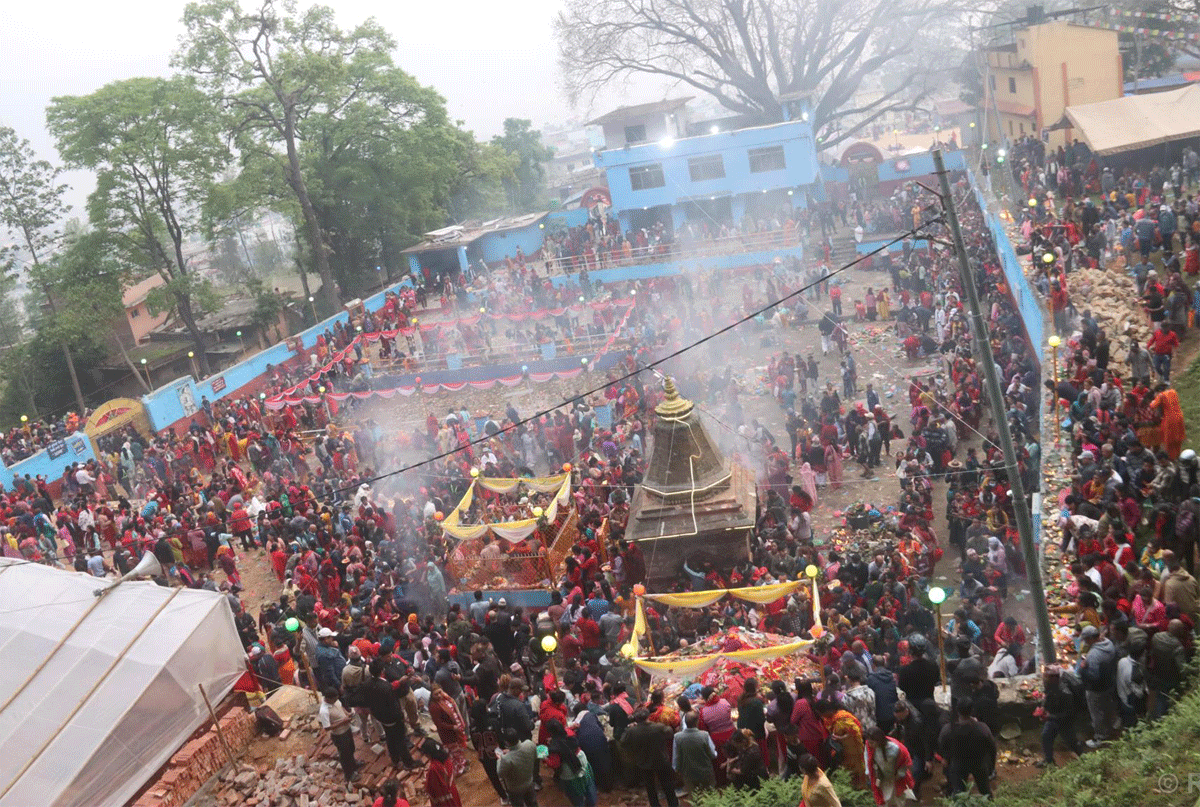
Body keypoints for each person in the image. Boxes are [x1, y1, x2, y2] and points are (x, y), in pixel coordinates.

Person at [361, 659, 417, 770]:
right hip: (392, 717)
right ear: (382, 671)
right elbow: (393, 704)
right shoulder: (386, 687)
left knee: (390, 738)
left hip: (380, 717)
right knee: (400, 739)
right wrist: (401, 716)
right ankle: (408, 762)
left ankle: (395, 760)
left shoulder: (366, 684)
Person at [619, 708, 677, 807]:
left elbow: (623, 742)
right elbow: (670, 733)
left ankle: (655, 805)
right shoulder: (658, 727)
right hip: (661, 760)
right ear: (648, 716)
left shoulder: (632, 731)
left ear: (636, 719)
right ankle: (673, 804)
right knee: (668, 786)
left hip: (644, 762)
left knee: (650, 788)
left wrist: (628, 729)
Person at [939, 697, 995, 798]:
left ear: (957, 710)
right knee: (985, 790)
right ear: (972, 710)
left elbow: (941, 744)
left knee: (959, 792)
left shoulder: (948, 729)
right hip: (979, 763)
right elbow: (992, 748)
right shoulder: (982, 728)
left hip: (958, 763)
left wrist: (946, 757)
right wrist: (991, 767)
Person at [1038, 666, 1083, 767]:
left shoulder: (1065, 693)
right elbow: (1046, 696)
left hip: (1064, 721)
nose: (1045, 679)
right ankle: (1048, 761)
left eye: (1048, 677)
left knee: (1072, 742)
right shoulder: (1049, 685)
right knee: (1046, 736)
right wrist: (1043, 708)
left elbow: (1069, 713)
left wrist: (1050, 716)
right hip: (1053, 716)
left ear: (1055, 678)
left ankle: (1086, 760)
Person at [864, 727, 914, 807]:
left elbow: (905, 762)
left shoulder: (895, 748)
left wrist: (899, 775)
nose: (870, 745)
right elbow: (867, 755)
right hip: (881, 778)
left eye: (872, 743)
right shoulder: (869, 745)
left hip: (896, 779)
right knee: (883, 801)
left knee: (897, 801)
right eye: (869, 742)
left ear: (879, 741)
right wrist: (868, 771)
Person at [319, 688, 359, 783]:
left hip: (347, 729)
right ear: (328, 699)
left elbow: (341, 707)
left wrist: (347, 713)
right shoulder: (324, 711)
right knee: (345, 755)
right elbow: (327, 727)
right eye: (334, 699)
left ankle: (354, 764)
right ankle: (349, 775)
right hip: (339, 734)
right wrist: (343, 722)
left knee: (351, 748)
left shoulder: (335, 701)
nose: (336, 700)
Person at [673, 710, 717, 795]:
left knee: (694, 797)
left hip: (688, 773)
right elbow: (713, 754)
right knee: (710, 795)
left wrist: (677, 770)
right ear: (697, 722)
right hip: (705, 772)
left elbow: (676, 757)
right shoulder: (704, 735)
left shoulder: (677, 737)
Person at [415, 737, 462, 807]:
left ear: (428, 754)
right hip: (453, 792)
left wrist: (426, 783)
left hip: (444, 800)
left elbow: (432, 788)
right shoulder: (446, 759)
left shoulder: (433, 768)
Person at [497, 729, 539, 807]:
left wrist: (500, 759)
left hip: (515, 789)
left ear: (506, 742)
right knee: (532, 803)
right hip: (529, 781)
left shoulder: (506, 759)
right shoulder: (529, 744)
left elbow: (500, 774)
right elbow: (535, 757)